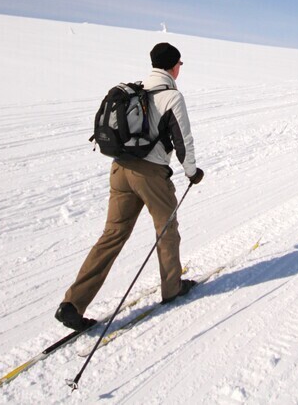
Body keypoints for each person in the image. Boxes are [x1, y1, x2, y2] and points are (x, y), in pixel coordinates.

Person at [55, 42, 205, 330]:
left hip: (119, 170)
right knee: (167, 230)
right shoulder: (172, 96)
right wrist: (192, 172)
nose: (180, 69)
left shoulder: (135, 90)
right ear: (174, 66)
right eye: (180, 64)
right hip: (150, 175)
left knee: (112, 235)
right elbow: (183, 140)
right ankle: (172, 288)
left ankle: (72, 304)